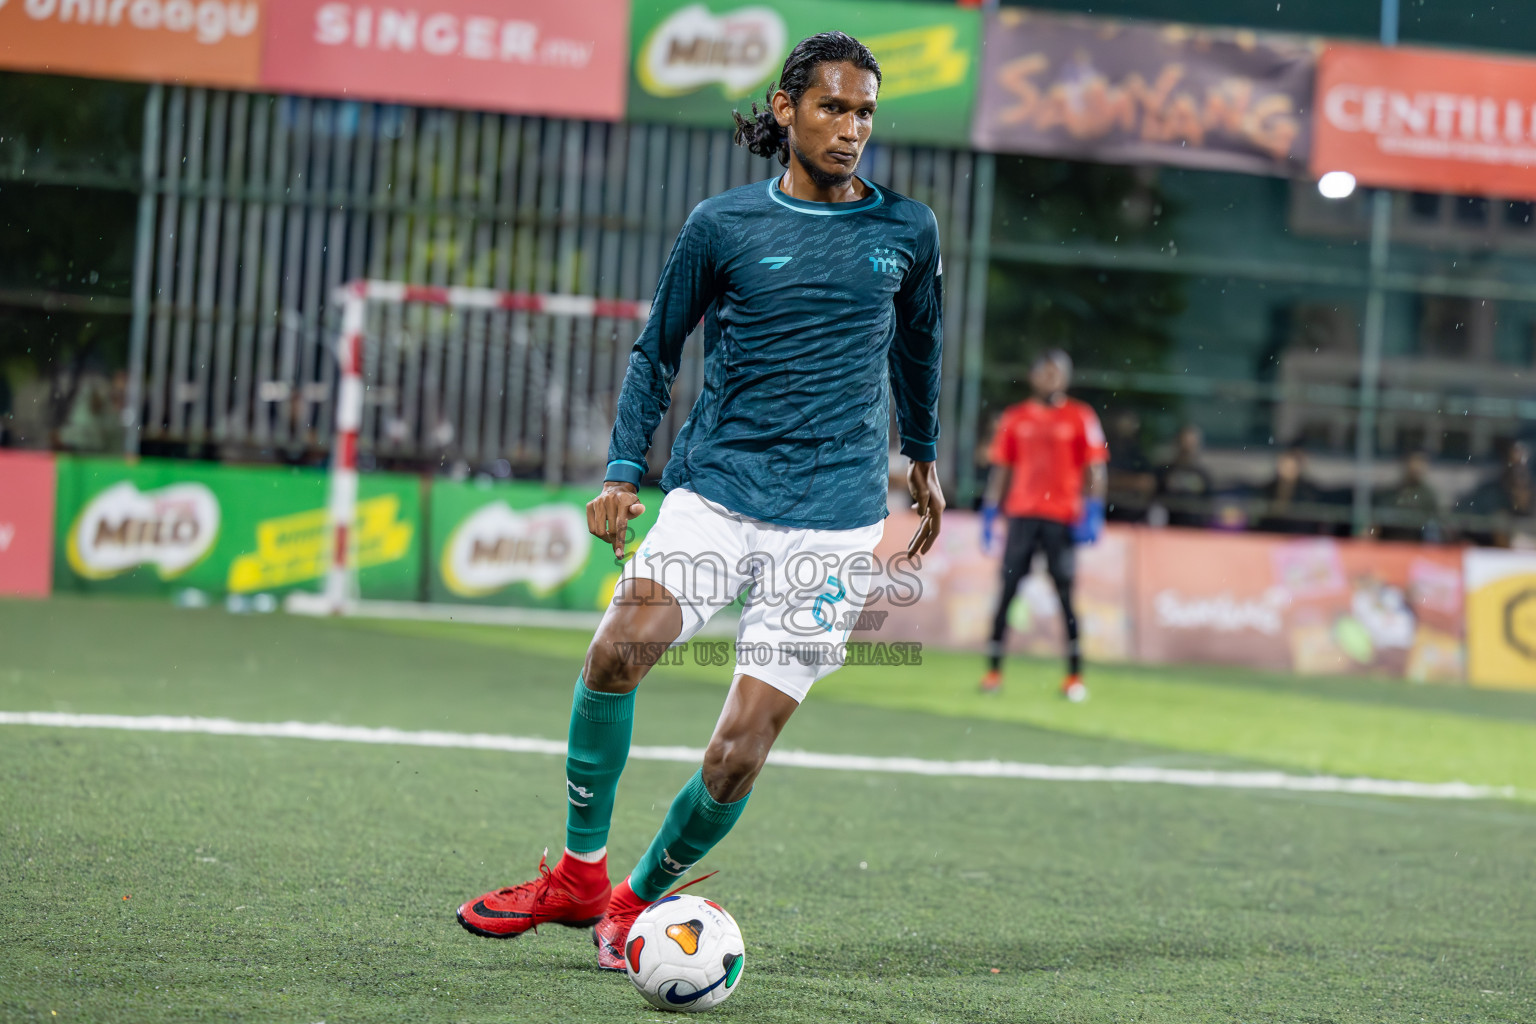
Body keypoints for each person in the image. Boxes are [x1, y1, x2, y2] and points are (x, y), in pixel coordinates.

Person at [455, 32, 945, 971]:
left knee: (739, 750)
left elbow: (918, 349)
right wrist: (620, 473)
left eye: (867, 112)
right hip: (717, 490)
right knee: (616, 650)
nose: (852, 129)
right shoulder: (721, 224)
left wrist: (920, 457)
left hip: (836, 519)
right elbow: (656, 351)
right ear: (785, 109)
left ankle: (632, 903)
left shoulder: (907, 231)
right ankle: (579, 876)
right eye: (834, 107)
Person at [978, 350, 1108, 702]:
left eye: (1056, 373)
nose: (1050, 379)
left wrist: (1094, 509)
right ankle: (992, 673)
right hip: (1021, 515)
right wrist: (991, 511)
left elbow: (1095, 467)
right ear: (1033, 377)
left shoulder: (1081, 416)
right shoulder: (1015, 417)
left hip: (1062, 517)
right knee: (1006, 591)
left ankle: (1074, 677)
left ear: (1066, 378)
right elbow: (1001, 467)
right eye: (1044, 373)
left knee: (1065, 595)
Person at [1253, 444, 1325, 535]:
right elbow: (1260, 517)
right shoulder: (1268, 488)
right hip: (1270, 534)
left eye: (1291, 467)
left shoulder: (1308, 491)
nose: (1288, 469)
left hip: (1297, 535)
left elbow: (1309, 520)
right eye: (1285, 465)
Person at [1154, 423, 1215, 528]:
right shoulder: (1164, 471)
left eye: (1191, 444)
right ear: (1177, 444)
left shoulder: (1203, 474)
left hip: (1194, 529)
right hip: (1168, 528)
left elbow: (1208, 505)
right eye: (1184, 443)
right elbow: (1155, 500)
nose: (1187, 448)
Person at [1373, 450, 1441, 542]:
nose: (1417, 468)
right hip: (1390, 538)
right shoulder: (1393, 493)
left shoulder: (1427, 495)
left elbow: (1431, 521)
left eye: (1420, 464)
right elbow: (1381, 517)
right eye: (1414, 464)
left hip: (1415, 540)